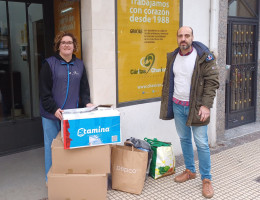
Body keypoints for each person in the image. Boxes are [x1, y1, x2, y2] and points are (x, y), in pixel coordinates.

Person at [160, 26, 219, 198]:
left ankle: (206, 179)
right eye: (180, 36)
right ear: (177, 38)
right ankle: (189, 170)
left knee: (201, 143)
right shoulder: (173, 57)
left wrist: (206, 106)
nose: (183, 38)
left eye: (187, 35)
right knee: (184, 139)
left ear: (192, 37)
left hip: (197, 107)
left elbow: (212, 81)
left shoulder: (203, 57)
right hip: (178, 106)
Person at [39, 31, 93, 182]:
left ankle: (67, 179)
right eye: (63, 42)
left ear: (74, 46)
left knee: (69, 148)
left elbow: (84, 89)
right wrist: (53, 109)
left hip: (71, 116)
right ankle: (51, 180)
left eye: (69, 43)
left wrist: (87, 102)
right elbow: (44, 91)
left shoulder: (80, 65)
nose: (66, 45)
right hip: (51, 115)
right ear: (58, 46)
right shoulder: (49, 64)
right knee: (52, 148)